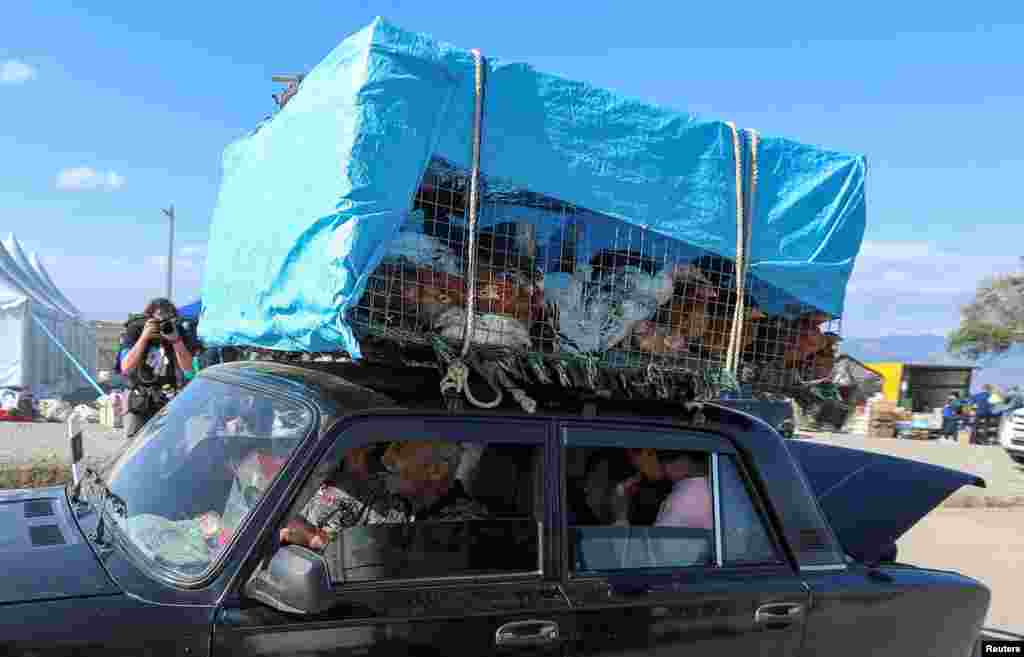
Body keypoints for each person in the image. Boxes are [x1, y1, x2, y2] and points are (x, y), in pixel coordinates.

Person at [117, 298, 198, 438]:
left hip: (169, 398)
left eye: (167, 319)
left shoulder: (178, 332)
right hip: (140, 400)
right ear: (148, 319)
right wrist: (143, 338)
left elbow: (189, 369)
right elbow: (125, 367)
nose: (162, 324)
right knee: (135, 449)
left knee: (174, 447)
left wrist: (176, 340)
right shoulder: (136, 330)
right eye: (157, 320)